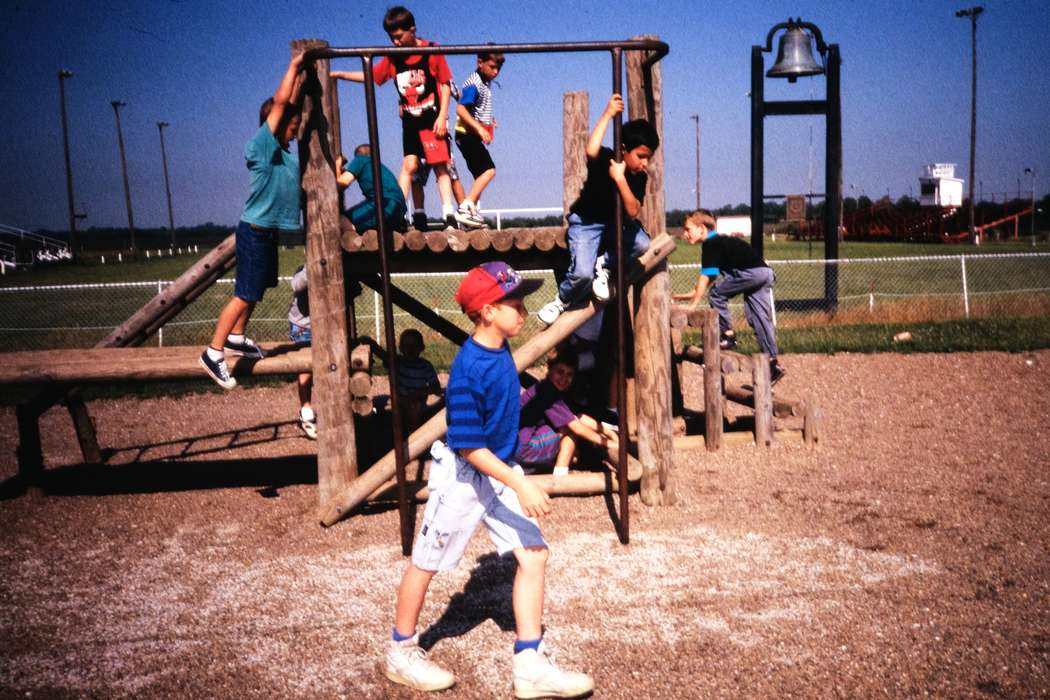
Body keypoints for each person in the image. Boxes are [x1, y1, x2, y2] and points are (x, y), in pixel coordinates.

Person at [383, 261, 594, 698]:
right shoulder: (468, 369)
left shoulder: (499, 351)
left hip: (499, 470)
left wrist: (513, 475)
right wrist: (522, 482)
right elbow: (468, 446)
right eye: (515, 304)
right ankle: (400, 652)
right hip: (463, 478)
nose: (524, 311)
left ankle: (529, 666)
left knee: (534, 554)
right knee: (426, 562)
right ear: (488, 312)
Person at [200, 52, 305, 390]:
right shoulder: (262, 145)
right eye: (292, 127)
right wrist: (294, 66)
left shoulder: (285, 154)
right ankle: (213, 352)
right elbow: (282, 103)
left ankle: (236, 335)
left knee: (256, 289)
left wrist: (304, 78)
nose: (296, 133)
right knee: (245, 294)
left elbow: (291, 105)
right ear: (277, 124)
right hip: (254, 231)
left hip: (267, 233)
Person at [331, 6, 459, 230]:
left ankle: (449, 215)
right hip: (410, 121)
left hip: (430, 117)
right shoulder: (393, 57)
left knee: (440, 166)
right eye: (392, 38)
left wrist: (442, 116)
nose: (396, 42)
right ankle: (397, 213)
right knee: (409, 165)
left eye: (399, 37)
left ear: (412, 30)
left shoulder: (431, 50)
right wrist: (341, 74)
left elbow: (445, 83)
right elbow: (372, 75)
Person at [538, 93, 660, 326]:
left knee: (642, 243)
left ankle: (604, 264)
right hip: (586, 223)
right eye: (641, 156)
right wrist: (608, 114)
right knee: (582, 274)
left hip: (615, 225)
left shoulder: (638, 177)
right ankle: (561, 301)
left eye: (649, 158)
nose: (645, 163)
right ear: (624, 149)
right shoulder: (605, 158)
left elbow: (633, 210)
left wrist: (620, 179)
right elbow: (591, 149)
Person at [673, 209, 786, 383]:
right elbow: (710, 276)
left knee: (716, 294)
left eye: (688, 229)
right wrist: (690, 295)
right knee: (758, 317)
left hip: (751, 274)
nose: (685, 234)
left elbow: (705, 277)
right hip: (765, 273)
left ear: (701, 229)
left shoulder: (711, 244)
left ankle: (728, 335)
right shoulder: (720, 242)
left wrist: (693, 305)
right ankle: (773, 361)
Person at [517, 349, 620, 476]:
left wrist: (607, 432)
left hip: (516, 445)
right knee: (570, 430)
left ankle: (538, 466)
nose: (564, 378)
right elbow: (576, 426)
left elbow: (578, 417)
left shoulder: (548, 388)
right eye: (560, 372)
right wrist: (608, 443)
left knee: (566, 425)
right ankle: (560, 474)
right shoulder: (547, 392)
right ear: (548, 370)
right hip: (523, 448)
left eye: (569, 374)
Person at [452, 51, 505, 229]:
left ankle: (471, 214)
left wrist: (489, 122)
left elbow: (477, 108)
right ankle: (465, 208)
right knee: (489, 170)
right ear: (480, 63)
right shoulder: (474, 83)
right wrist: (480, 128)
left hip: (470, 134)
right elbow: (461, 109)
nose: (495, 72)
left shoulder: (485, 81)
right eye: (492, 67)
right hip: (467, 135)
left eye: (498, 68)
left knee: (480, 176)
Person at [335, 143, 407, 233]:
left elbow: (341, 183)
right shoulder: (381, 168)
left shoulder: (360, 160)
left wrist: (337, 165)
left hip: (384, 205)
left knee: (339, 219)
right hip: (399, 212)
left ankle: (353, 236)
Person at [286, 265, 316, 439]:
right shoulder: (303, 269)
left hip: (328, 323)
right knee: (306, 366)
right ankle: (306, 409)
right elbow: (297, 285)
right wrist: (314, 267)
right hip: (304, 326)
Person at [394, 328, 441, 433]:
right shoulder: (398, 363)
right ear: (400, 348)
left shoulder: (425, 366)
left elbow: (436, 387)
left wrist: (420, 393)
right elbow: (384, 356)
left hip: (418, 403)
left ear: (421, 348)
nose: (411, 349)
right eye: (407, 345)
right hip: (401, 402)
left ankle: (414, 435)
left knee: (415, 409)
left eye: (414, 346)